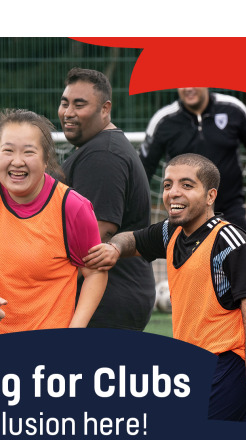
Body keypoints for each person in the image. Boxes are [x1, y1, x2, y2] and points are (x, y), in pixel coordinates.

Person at [85, 153, 246, 422]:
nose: (173, 193)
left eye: (186, 185)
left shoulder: (229, 240)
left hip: (231, 359)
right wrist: (115, 247)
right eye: (167, 185)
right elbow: (134, 239)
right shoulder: (172, 232)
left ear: (210, 196)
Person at [0, 109, 107, 337]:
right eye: (8, 151)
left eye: (29, 152)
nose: (17, 162)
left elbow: (95, 273)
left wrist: (76, 330)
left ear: (46, 159)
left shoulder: (73, 206)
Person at [58, 67, 156, 331]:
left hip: (108, 300)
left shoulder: (102, 156)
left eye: (80, 105)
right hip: (113, 297)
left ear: (105, 109)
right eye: (65, 103)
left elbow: (94, 240)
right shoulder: (97, 148)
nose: (68, 112)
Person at [139, 87, 246, 233]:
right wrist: (134, 206)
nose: (188, 88)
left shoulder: (233, 108)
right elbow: (143, 168)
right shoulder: (163, 120)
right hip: (184, 214)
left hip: (230, 210)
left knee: (238, 254)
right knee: (189, 256)